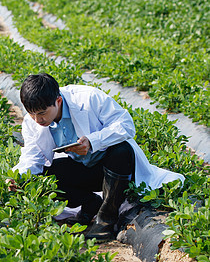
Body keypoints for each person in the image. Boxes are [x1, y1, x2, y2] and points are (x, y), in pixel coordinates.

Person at [10, 73, 184, 242]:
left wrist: (93, 142)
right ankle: (90, 203)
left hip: (114, 169)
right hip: (85, 170)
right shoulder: (32, 122)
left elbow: (126, 125)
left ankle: (106, 221)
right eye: (32, 114)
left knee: (121, 150)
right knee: (43, 176)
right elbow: (32, 156)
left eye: (41, 113)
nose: (37, 119)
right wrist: (18, 176)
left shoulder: (89, 98)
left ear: (58, 101)